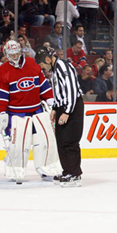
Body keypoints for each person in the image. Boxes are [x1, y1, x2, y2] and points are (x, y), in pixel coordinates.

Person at [0, 41, 61, 182]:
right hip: (16, 113)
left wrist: (49, 98)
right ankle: (15, 170)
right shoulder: (3, 70)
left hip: (36, 109)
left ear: (21, 52)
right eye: (11, 54)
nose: (15, 56)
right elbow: (0, 94)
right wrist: (0, 112)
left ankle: (46, 168)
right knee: (18, 143)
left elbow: (41, 82)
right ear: (6, 55)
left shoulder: (31, 63)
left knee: (45, 139)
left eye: (16, 53)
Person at [35, 45, 84, 187]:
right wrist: (55, 108)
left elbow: (71, 90)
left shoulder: (62, 66)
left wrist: (67, 112)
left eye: (43, 65)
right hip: (64, 107)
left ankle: (75, 174)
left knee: (70, 141)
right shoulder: (55, 69)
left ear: (48, 59)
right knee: (61, 140)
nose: (43, 68)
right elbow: (59, 91)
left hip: (73, 106)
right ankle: (67, 170)